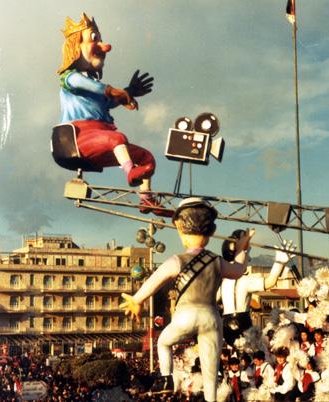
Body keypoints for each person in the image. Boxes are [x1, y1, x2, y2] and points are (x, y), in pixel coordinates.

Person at [120, 197, 253, 401]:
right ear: (211, 231)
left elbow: (153, 282)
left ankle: (166, 380)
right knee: (210, 376)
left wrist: (136, 300)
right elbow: (238, 270)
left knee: (164, 343)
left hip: (185, 316)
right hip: (211, 318)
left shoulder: (176, 260)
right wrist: (243, 249)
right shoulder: (217, 261)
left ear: (179, 228)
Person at [57, 13, 168, 216]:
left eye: (100, 39)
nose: (103, 46)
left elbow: (108, 102)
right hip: (76, 139)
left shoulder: (95, 87)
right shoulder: (69, 78)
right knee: (117, 139)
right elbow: (89, 86)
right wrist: (114, 90)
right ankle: (130, 171)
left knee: (147, 158)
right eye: (94, 39)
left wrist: (129, 91)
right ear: (76, 46)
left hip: (99, 140)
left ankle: (146, 198)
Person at [219, 235, 295, 346]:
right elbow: (270, 282)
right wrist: (279, 263)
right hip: (243, 321)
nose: (249, 259)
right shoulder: (244, 281)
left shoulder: (221, 281)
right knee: (250, 352)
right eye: (247, 254)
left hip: (225, 323)